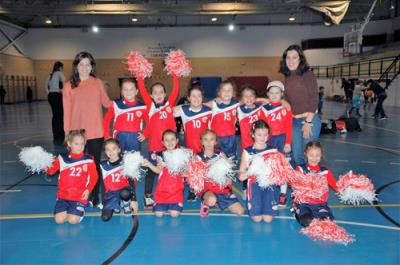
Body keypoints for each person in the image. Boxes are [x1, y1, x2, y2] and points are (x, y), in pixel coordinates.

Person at [63, 51, 112, 208]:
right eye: (81, 64)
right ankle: (79, 196)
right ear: (76, 66)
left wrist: (127, 103)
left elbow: (107, 103)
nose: (85, 67)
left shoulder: (97, 83)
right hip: (77, 135)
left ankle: (95, 197)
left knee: (94, 166)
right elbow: (67, 111)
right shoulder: (68, 85)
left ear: (92, 67)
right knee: (79, 167)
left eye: (88, 64)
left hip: (96, 132)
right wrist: (67, 134)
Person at [137, 72, 179, 209]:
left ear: (165, 94)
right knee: (152, 172)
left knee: (172, 170)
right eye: (155, 92)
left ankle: (172, 193)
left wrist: (175, 73)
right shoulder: (150, 106)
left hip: (171, 146)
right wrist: (139, 75)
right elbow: (142, 90)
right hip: (155, 146)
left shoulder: (169, 104)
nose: (159, 94)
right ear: (151, 95)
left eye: (161, 92)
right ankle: (148, 196)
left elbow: (176, 90)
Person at [279, 44, 321, 167]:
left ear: (300, 59)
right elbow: (287, 96)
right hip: (293, 121)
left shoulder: (307, 74)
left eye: (294, 57)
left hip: (309, 119)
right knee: (297, 156)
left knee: (309, 154)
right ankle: (301, 181)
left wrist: (308, 122)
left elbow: (314, 98)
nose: (291, 61)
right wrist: (283, 100)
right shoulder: (287, 76)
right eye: (288, 58)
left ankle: (310, 182)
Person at [46, 130, 99, 224]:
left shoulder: (88, 160)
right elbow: (51, 171)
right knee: (59, 220)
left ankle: (83, 207)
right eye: (76, 144)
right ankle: (69, 209)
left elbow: (94, 177)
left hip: (79, 196)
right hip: (63, 195)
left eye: (82, 144)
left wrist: (88, 190)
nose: (80, 147)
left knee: (73, 221)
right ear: (69, 144)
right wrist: (43, 164)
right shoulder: (62, 158)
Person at [175, 84, 212, 202]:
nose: (196, 99)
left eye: (199, 96)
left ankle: (206, 187)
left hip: (205, 147)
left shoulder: (209, 111)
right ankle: (192, 189)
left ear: (203, 97)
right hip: (190, 147)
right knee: (191, 169)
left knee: (206, 168)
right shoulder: (183, 110)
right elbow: (167, 111)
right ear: (188, 98)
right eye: (193, 96)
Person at [196, 129, 245, 217]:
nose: (209, 142)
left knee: (240, 211)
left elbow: (230, 170)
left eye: (211, 139)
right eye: (206, 139)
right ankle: (206, 203)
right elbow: (193, 177)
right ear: (202, 142)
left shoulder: (221, 155)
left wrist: (228, 178)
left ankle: (219, 203)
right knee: (211, 200)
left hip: (222, 188)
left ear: (215, 142)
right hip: (207, 189)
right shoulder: (198, 157)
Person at [238, 120, 279, 223]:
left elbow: (278, 169)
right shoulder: (248, 152)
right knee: (257, 219)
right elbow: (241, 173)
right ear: (253, 134)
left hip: (269, 184)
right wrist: (247, 173)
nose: (262, 138)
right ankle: (253, 205)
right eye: (259, 135)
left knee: (268, 219)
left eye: (265, 135)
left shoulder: (273, 150)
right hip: (254, 185)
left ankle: (267, 205)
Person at [261, 80, 292, 207]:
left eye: (277, 92)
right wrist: (263, 141)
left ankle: (283, 194)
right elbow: (262, 127)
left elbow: (288, 126)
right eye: (271, 92)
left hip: (282, 140)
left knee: (282, 167)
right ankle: (270, 192)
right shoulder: (264, 108)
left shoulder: (286, 107)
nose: (274, 95)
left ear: (282, 94)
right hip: (269, 140)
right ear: (268, 94)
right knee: (269, 167)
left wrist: (288, 142)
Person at [292, 141, 338, 227]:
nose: (314, 158)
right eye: (311, 155)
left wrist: (347, 188)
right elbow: (293, 184)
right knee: (308, 222)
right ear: (306, 154)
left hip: (320, 204)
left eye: (317, 155)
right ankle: (297, 212)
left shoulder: (325, 171)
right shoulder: (301, 169)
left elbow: (335, 185)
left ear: (321, 155)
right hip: (304, 204)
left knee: (326, 222)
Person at [142, 130, 185, 218]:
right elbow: (158, 171)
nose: (170, 142)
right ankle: (165, 204)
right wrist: (149, 164)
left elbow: (185, 172)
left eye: (172, 139)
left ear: (177, 141)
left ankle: (172, 205)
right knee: (158, 214)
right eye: (167, 140)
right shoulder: (160, 156)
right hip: (162, 191)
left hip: (175, 191)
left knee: (174, 214)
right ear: (163, 142)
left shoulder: (182, 154)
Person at [103, 78, 148, 152]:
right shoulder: (116, 104)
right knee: (120, 159)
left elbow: (150, 121)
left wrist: (145, 134)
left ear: (136, 91)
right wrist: (107, 136)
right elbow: (106, 120)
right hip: (120, 136)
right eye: (125, 89)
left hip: (135, 137)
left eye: (131, 89)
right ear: (121, 92)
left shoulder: (143, 106)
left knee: (134, 159)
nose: (128, 92)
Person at [100, 139, 138, 221]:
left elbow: (131, 183)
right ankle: (117, 204)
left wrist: (133, 200)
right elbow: (103, 185)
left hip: (124, 190)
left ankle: (126, 203)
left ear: (119, 149)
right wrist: (104, 201)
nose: (111, 152)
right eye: (108, 149)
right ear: (105, 151)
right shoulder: (103, 166)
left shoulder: (126, 163)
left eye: (114, 148)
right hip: (111, 192)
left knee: (124, 193)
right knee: (105, 218)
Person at [237, 85, 263, 200]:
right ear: (242, 99)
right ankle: (245, 188)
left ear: (255, 97)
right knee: (245, 168)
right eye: (245, 96)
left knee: (259, 166)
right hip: (246, 146)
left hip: (260, 144)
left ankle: (259, 187)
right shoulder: (238, 109)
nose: (248, 98)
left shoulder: (261, 108)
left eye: (251, 96)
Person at [210, 80, 240, 164]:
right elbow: (198, 105)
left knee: (232, 160)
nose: (226, 92)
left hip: (231, 138)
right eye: (224, 90)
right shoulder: (214, 104)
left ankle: (231, 176)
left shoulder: (236, 104)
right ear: (219, 92)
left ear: (233, 93)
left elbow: (251, 101)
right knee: (218, 161)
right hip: (217, 138)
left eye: (229, 90)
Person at [46, 61, 66, 144]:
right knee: (60, 116)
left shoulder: (50, 75)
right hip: (57, 96)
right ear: (60, 67)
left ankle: (56, 135)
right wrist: (61, 90)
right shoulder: (59, 73)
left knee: (55, 116)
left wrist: (50, 92)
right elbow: (65, 82)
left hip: (51, 96)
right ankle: (61, 135)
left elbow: (45, 85)